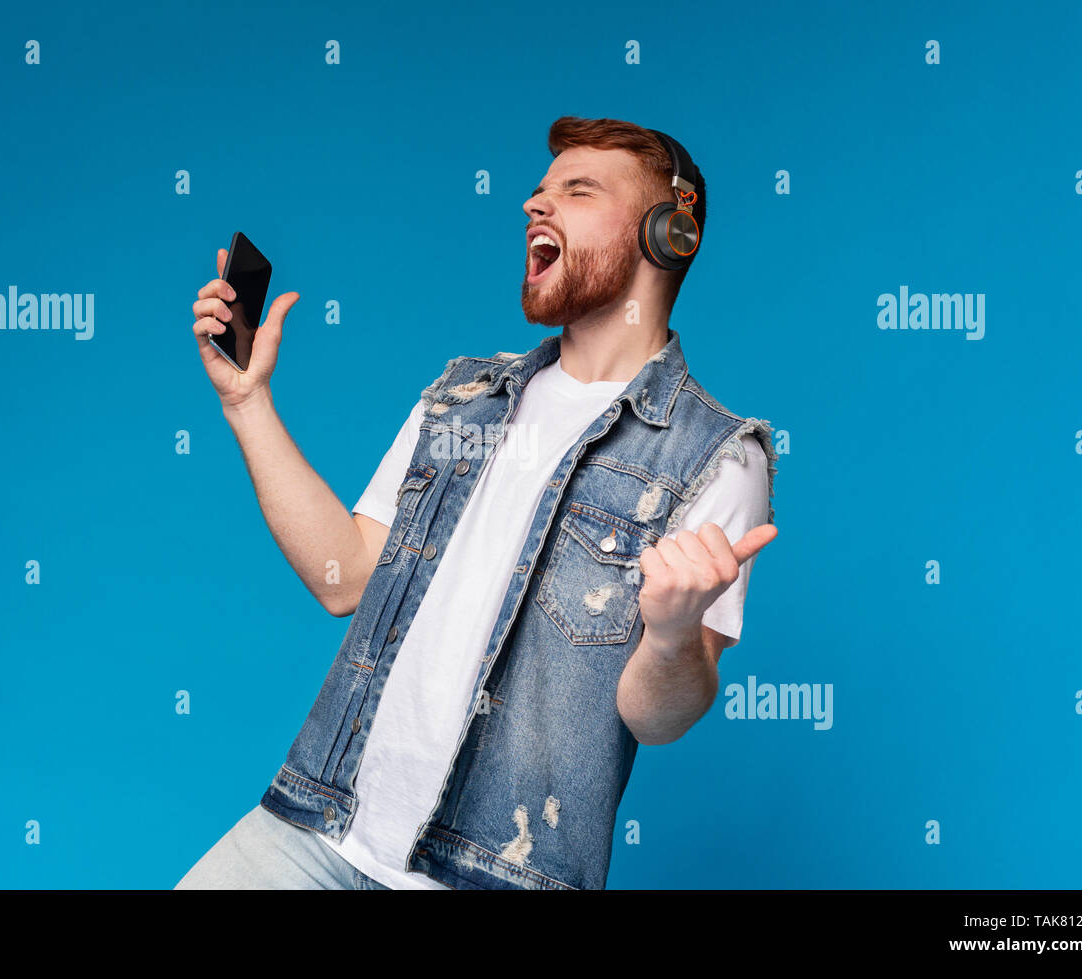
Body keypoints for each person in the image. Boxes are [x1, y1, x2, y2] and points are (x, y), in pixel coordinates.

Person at [176, 115, 778, 891]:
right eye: (537, 191)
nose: (536, 205)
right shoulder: (465, 394)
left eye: (577, 189)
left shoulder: (715, 455)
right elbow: (343, 577)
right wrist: (248, 402)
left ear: (668, 234)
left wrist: (669, 636)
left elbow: (657, 716)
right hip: (320, 827)